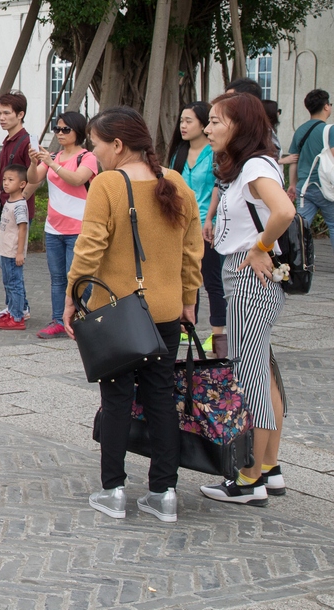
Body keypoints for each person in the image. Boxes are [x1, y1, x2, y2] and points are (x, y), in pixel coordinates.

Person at [66, 106, 202, 523]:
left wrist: (74, 295)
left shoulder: (107, 184)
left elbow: (90, 246)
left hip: (120, 313)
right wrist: (188, 299)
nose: (95, 151)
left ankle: (114, 491)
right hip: (165, 311)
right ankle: (164, 494)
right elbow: (191, 249)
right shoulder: (176, 182)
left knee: (117, 397)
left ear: (119, 145)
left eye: (97, 143)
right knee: (162, 397)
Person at [201, 92, 295, 506]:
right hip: (252, 273)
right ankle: (269, 467)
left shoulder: (256, 165)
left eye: (217, 121)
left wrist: (259, 246)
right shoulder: (250, 166)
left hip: (248, 275)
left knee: (250, 375)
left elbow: (284, 212)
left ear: (240, 126)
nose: (208, 128)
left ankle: (249, 477)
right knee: (264, 372)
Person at [26, 111, 98, 338]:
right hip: (54, 228)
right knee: (58, 278)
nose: (60, 133)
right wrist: (33, 162)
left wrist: (51, 163)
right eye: (57, 129)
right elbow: (33, 179)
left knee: (76, 277)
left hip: (79, 228)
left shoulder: (87, 157)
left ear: (78, 131)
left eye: (65, 129)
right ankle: (58, 320)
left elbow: (78, 179)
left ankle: (80, 318)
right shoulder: (54, 156)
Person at [168, 102, 226, 353]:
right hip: (180, 225)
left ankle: (218, 333)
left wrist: (211, 219)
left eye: (189, 120)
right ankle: (186, 326)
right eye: (181, 120)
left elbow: (219, 187)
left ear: (204, 125)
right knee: (185, 277)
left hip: (207, 225)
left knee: (212, 279)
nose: (183, 125)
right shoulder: (178, 153)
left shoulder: (215, 154)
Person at [0, 92, 35, 320]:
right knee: (6, 265)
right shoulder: (8, 141)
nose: (1, 118)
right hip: (6, 211)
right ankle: (15, 306)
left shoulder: (27, 142)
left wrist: (18, 202)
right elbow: (13, 177)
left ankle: (20, 310)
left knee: (13, 265)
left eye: (6, 113)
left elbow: (34, 178)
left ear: (20, 114)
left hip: (17, 214)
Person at [288, 89, 333, 257]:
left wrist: (292, 184)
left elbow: (293, 160)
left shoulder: (300, 130)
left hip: (304, 188)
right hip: (326, 188)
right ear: (326, 107)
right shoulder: (330, 130)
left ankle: (297, 260)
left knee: (300, 226)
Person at [0, 165, 31, 330]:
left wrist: (20, 253)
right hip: (4, 249)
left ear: (22, 184)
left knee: (15, 283)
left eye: (10, 180)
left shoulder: (20, 204)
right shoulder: (9, 201)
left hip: (12, 252)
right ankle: (12, 311)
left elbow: (22, 228)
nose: (5, 183)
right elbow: (10, 222)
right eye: (4, 179)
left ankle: (17, 316)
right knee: (8, 282)